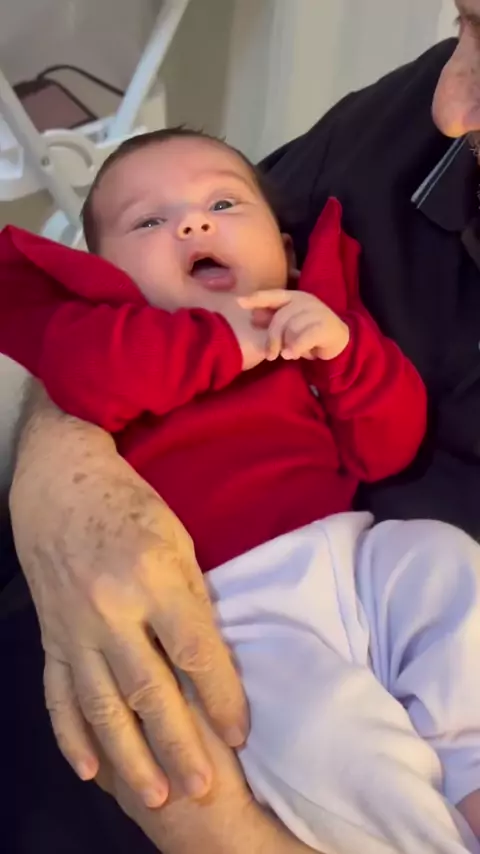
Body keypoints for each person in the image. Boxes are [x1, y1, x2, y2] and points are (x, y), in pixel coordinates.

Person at [3, 7, 480, 851]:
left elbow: (386, 442)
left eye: (223, 205)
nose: (193, 223)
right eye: (148, 223)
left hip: (355, 556)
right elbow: (87, 379)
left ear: (286, 249)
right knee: (329, 733)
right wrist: (224, 342)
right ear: (104, 277)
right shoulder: (114, 333)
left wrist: (346, 353)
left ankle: (470, 772)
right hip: (231, 609)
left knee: (448, 570)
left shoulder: (316, 316)